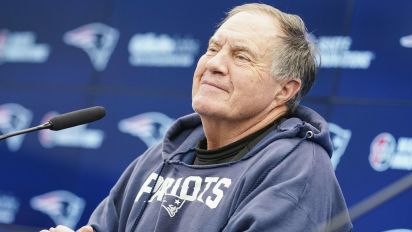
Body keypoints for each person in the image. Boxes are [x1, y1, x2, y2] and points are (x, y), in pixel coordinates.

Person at [42, 3, 352, 232]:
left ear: (285, 90)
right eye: (213, 48)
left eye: (241, 57)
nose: (215, 64)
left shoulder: (297, 171)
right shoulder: (168, 153)